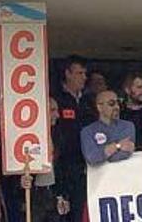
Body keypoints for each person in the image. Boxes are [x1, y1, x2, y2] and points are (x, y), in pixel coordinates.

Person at [51, 55, 90, 222]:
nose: (84, 77)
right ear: (67, 73)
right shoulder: (56, 99)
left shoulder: (88, 100)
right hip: (63, 167)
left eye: (85, 73)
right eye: (79, 73)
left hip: (86, 167)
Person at [31, 98, 71, 222]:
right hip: (34, 194)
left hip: (53, 192)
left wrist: (63, 195)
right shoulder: (27, 136)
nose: (57, 115)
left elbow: (62, 166)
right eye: (52, 110)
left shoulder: (58, 134)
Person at [80, 90, 135, 166]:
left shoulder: (127, 126)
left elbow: (124, 154)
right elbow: (92, 158)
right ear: (99, 107)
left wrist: (104, 152)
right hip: (101, 176)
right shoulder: (87, 131)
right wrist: (118, 146)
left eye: (118, 103)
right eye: (111, 103)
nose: (117, 107)